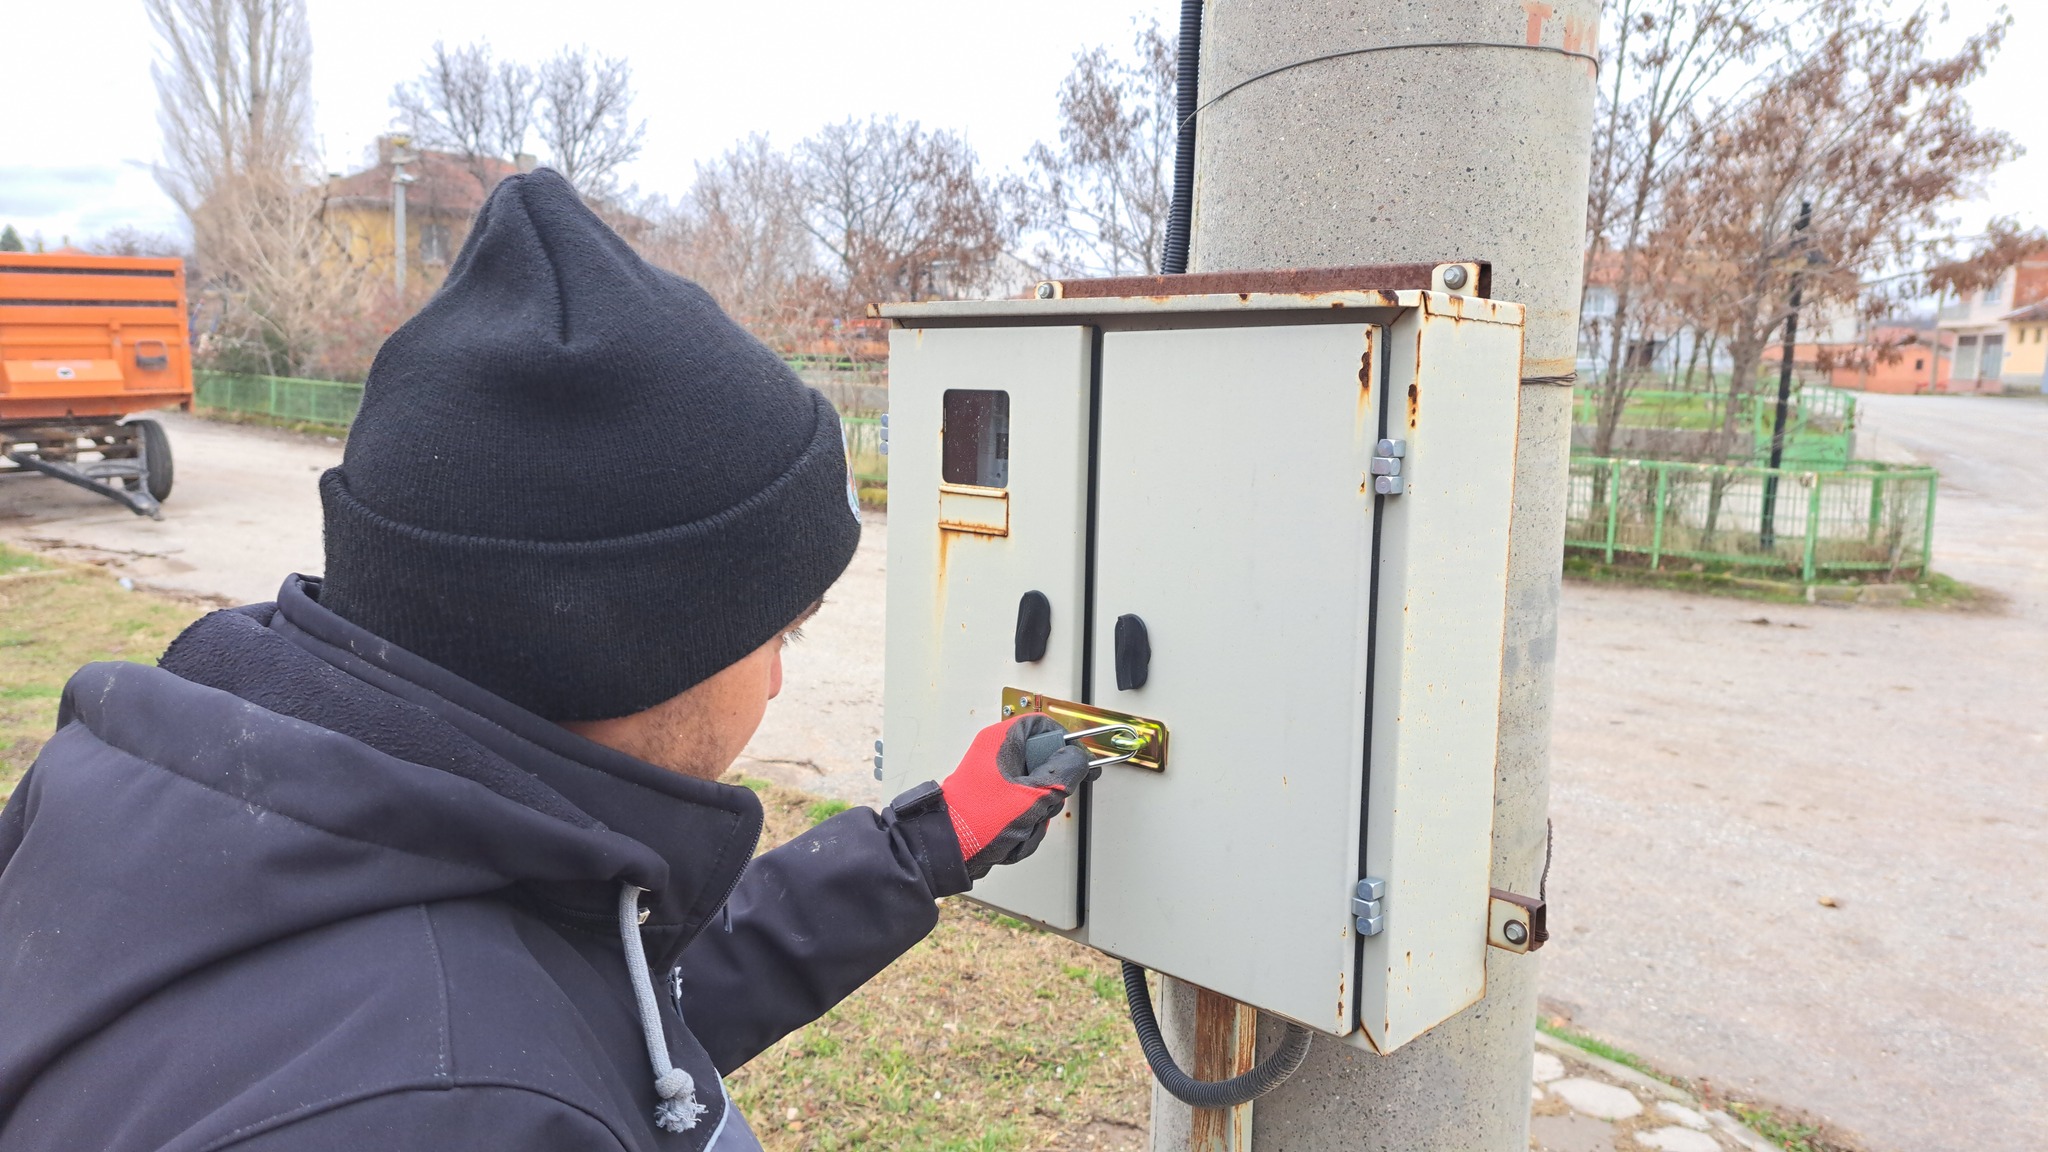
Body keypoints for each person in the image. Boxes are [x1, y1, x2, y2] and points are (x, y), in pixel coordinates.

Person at [0, 169, 1094, 1151]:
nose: (775, 681)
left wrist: (921, 846)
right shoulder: (440, 1110)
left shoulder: (251, 812)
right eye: (778, 633)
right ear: (625, 646)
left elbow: (592, 1024)